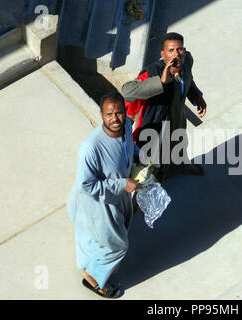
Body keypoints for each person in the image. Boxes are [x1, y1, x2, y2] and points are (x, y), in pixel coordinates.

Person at [67, 92, 141, 298]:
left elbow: (128, 148)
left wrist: (140, 157)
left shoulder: (126, 127)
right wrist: (121, 183)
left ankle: (91, 262)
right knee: (117, 245)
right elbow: (86, 185)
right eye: (109, 114)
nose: (115, 119)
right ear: (101, 115)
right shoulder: (90, 147)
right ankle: (93, 278)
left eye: (119, 113)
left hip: (117, 196)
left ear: (125, 113)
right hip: (97, 202)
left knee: (101, 237)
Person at [121, 32, 207, 181]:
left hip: (177, 119)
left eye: (180, 49)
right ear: (163, 54)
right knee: (150, 165)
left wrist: (196, 96)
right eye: (171, 50)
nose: (176, 54)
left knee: (179, 145)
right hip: (155, 127)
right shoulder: (152, 72)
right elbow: (127, 91)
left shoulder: (187, 61)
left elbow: (188, 80)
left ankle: (181, 165)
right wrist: (161, 83)